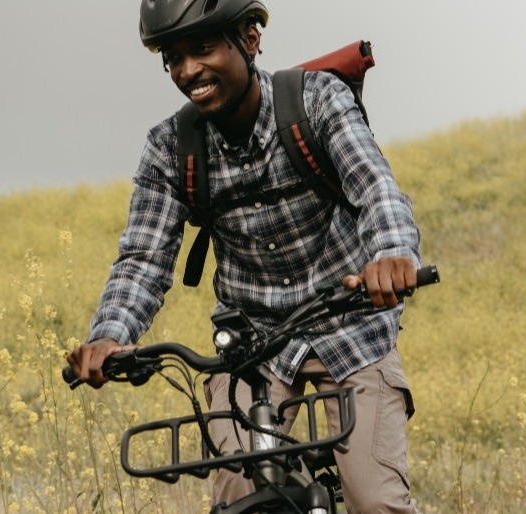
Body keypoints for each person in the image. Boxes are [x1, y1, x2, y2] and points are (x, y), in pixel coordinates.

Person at [66, 1, 423, 511]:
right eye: (174, 58)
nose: (188, 71)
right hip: (251, 349)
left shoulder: (316, 101)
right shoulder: (171, 148)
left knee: (375, 502)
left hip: (351, 331)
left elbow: (375, 187)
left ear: (250, 40)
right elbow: (144, 258)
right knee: (240, 498)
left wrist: (391, 254)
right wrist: (109, 337)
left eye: (204, 49)